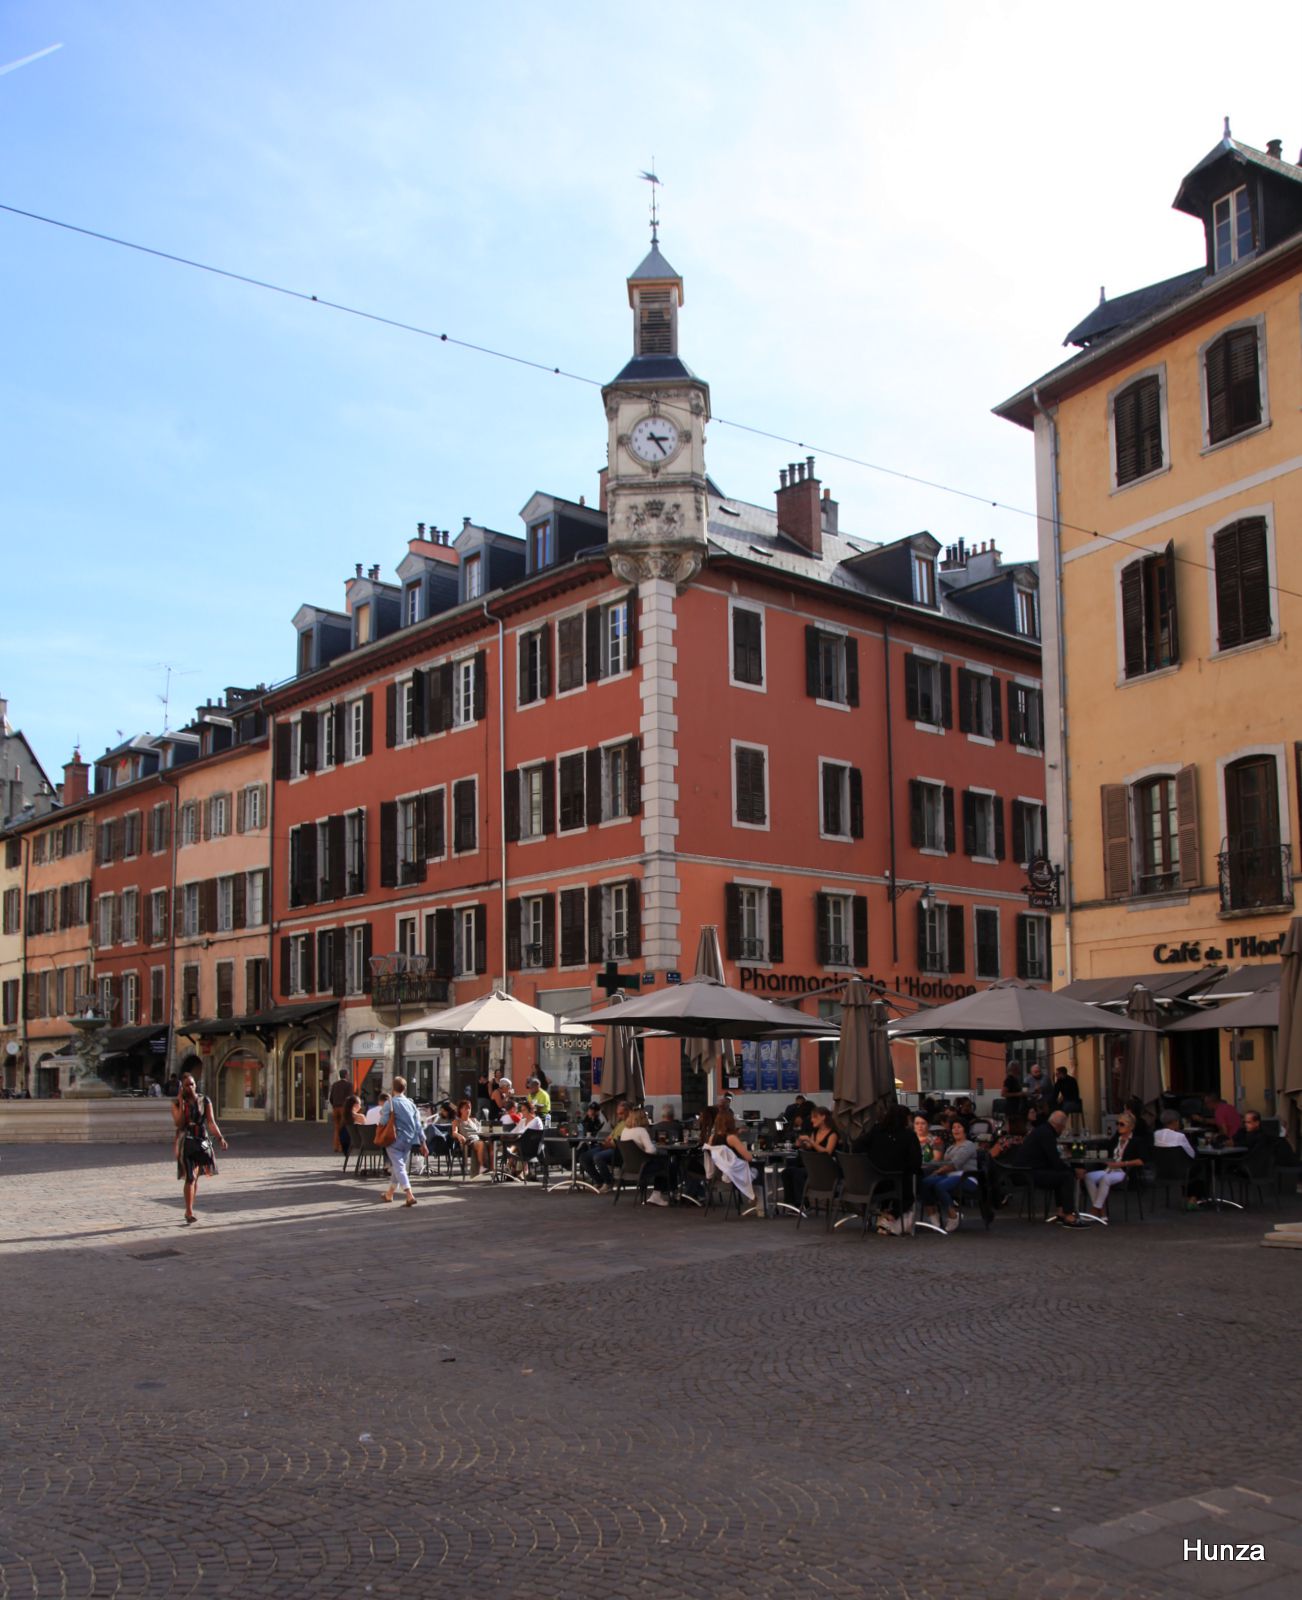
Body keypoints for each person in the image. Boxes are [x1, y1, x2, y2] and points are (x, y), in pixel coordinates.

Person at [852, 1104, 923, 1234]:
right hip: (895, 1181)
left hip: (871, 1181)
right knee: (915, 1183)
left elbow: (857, 1146)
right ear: (905, 1119)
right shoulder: (909, 1136)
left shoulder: (876, 1130)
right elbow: (915, 1162)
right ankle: (892, 1215)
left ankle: (885, 1214)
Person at [172, 1072, 228, 1224]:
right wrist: (182, 1105)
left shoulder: (205, 1100)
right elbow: (179, 1123)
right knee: (190, 1176)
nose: (190, 1087)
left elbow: (210, 1122)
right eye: (186, 1085)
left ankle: (189, 1206)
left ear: (196, 1084)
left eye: (192, 1084)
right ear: (181, 1088)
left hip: (202, 1139)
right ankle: (189, 1211)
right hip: (186, 1141)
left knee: (196, 1177)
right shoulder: (177, 1103)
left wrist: (220, 1138)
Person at [1016, 1110, 1084, 1225]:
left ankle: (1061, 1211)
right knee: (1066, 1176)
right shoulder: (1047, 1134)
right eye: (1063, 1127)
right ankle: (1068, 1214)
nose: (1062, 1130)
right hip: (1030, 1173)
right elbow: (1055, 1161)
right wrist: (1073, 1171)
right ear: (1059, 1126)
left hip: (1025, 1171)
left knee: (1060, 1175)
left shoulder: (1042, 1130)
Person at [1081, 1110, 1153, 1221]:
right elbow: (1106, 1148)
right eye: (1117, 1123)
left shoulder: (1137, 1141)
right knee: (1088, 1176)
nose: (1118, 1126)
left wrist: (1121, 1163)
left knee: (1105, 1178)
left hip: (1124, 1171)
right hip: (1109, 1170)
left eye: (1122, 1124)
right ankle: (1102, 1211)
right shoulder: (1116, 1139)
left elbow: (1141, 1161)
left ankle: (1095, 1209)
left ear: (1131, 1127)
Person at [376, 1075, 428, 1207]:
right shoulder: (411, 1104)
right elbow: (418, 1124)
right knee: (398, 1166)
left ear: (393, 1088)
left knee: (399, 1167)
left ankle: (409, 1194)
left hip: (394, 1139)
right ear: (404, 1089)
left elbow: (383, 1121)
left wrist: (382, 1116)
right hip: (409, 1140)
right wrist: (423, 1142)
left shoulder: (391, 1103)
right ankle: (389, 1193)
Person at [919, 1121, 980, 1232]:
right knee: (925, 1182)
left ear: (965, 1130)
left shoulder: (968, 1145)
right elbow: (943, 1163)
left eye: (959, 1127)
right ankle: (933, 1215)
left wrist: (937, 1172)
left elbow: (955, 1164)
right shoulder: (951, 1147)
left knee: (940, 1185)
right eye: (953, 1127)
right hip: (949, 1176)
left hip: (966, 1177)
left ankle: (953, 1216)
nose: (956, 1129)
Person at [706, 1106, 759, 1213]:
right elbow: (748, 1157)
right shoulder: (731, 1138)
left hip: (719, 1174)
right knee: (760, 1171)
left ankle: (753, 1196)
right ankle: (760, 1203)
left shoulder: (712, 1138)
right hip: (735, 1175)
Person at [620, 1107, 674, 1205]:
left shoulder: (625, 1130)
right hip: (643, 1167)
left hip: (628, 1167)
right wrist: (656, 1147)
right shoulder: (641, 1131)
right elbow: (651, 1150)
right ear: (642, 1118)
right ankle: (658, 1194)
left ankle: (649, 1195)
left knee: (662, 1162)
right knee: (666, 1163)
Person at [579, 1101, 628, 1191]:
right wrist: (606, 1141)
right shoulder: (620, 1123)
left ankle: (608, 1182)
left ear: (628, 1112)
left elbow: (622, 1141)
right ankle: (599, 1181)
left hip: (618, 1150)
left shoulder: (629, 1123)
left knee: (598, 1157)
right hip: (607, 1146)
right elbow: (610, 1136)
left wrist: (610, 1143)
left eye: (621, 1113)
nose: (619, 1116)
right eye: (618, 1113)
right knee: (583, 1157)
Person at [452, 1098, 490, 1177]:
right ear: (460, 1110)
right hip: (468, 1142)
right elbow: (454, 1132)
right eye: (466, 1108)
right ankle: (483, 1166)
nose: (468, 1110)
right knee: (481, 1144)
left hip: (478, 1139)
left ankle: (492, 1168)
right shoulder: (457, 1121)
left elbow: (482, 1130)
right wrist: (460, 1135)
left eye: (469, 1108)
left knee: (492, 1144)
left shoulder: (474, 1120)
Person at [328, 1067, 354, 1155]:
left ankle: (336, 1146)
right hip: (344, 1108)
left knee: (336, 1127)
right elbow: (350, 1098)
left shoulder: (335, 1085)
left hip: (335, 1108)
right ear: (346, 1075)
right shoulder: (349, 1085)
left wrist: (334, 1105)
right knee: (344, 1128)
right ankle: (342, 1147)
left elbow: (331, 1098)